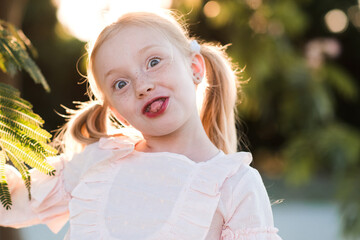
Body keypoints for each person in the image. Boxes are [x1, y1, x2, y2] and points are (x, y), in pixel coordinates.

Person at [1, 10, 282, 240]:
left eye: (154, 61)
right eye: (120, 83)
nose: (142, 85)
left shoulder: (235, 185)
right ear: (118, 113)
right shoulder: (98, 161)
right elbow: (8, 202)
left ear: (195, 69)